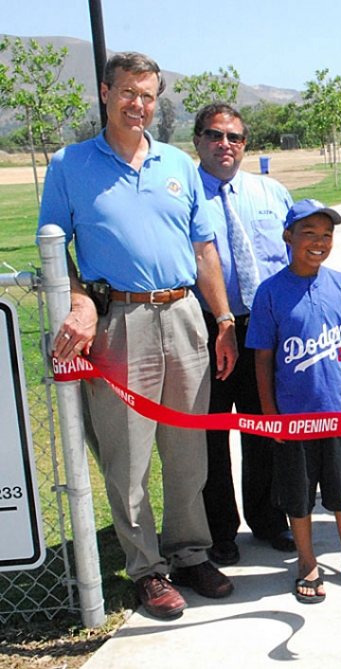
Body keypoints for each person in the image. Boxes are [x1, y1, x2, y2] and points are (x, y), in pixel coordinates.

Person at [40, 52, 236, 619]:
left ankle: (190, 552)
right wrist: (78, 300)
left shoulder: (177, 162)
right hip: (119, 324)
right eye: (128, 92)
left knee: (187, 452)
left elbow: (203, 250)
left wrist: (222, 320)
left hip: (184, 317)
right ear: (106, 93)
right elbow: (53, 249)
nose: (138, 105)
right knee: (128, 459)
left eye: (148, 95)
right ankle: (147, 570)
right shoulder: (70, 165)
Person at [248, 199, 341, 603]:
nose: (318, 242)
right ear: (288, 236)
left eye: (326, 234)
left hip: (339, 416)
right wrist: (270, 414)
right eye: (308, 233)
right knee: (298, 497)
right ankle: (307, 561)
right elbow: (262, 357)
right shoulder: (271, 292)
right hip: (294, 420)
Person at [192, 103, 295, 565]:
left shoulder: (271, 193)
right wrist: (220, 324)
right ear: (197, 141)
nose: (225, 145)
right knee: (211, 435)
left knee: (265, 426)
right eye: (214, 135)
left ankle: (270, 518)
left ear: (245, 143)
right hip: (206, 331)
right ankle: (220, 530)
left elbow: (300, 256)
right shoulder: (182, 196)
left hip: (265, 333)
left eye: (234, 137)